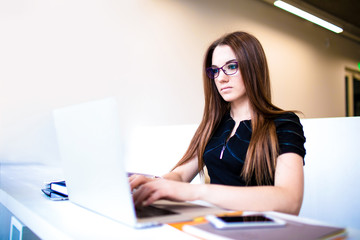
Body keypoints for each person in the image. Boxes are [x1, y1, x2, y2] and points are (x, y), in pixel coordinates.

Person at [129, 31, 306, 215]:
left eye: (231, 66)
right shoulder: (214, 123)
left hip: (258, 228)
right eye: (214, 70)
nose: (221, 78)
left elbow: (290, 201)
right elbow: (180, 175)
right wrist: (155, 184)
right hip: (213, 223)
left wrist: (197, 192)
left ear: (253, 67)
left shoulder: (284, 124)